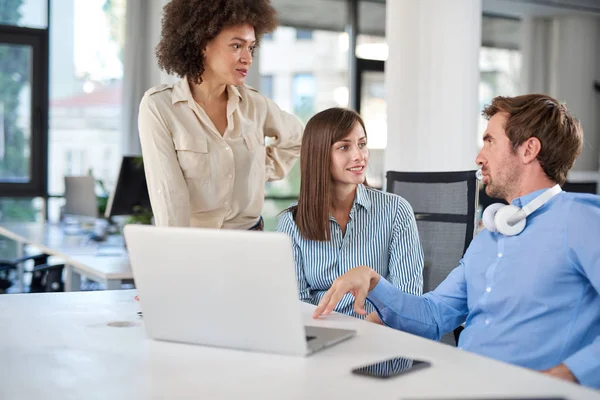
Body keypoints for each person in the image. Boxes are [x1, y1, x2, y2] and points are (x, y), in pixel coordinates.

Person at [312, 94, 600, 389]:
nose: (479, 156)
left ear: (528, 149)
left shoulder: (581, 219)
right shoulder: (491, 235)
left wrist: (563, 378)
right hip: (461, 383)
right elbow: (433, 317)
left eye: (490, 141)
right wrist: (374, 283)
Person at [138, 0, 302, 230]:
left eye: (251, 47)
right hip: (195, 244)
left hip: (249, 241)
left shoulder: (255, 105)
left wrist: (257, 171)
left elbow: (297, 139)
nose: (247, 58)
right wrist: (174, 254)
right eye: (237, 46)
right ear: (203, 44)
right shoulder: (160, 106)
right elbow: (168, 195)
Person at [276, 108, 424, 319]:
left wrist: (364, 331)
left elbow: (408, 298)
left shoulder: (396, 211)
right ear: (319, 154)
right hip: (323, 337)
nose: (359, 156)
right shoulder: (291, 222)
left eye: (362, 144)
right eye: (344, 147)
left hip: (382, 335)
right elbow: (296, 304)